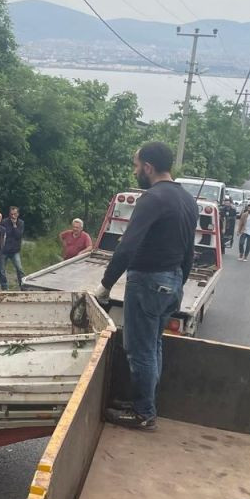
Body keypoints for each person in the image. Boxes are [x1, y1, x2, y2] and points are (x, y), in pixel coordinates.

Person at [97, 141, 197, 432]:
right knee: (152, 347)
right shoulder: (187, 199)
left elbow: (128, 245)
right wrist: (179, 282)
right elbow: (189, 251)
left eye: (137, 165)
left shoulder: (152, 199)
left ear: (148, 168)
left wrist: (106, 284)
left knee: (139, 351)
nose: (135, 170)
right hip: (172, 280)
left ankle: (143, 413)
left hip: (148, 281)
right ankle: (144, 403)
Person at [2, 206, 26, 289]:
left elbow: (18, 235)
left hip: (15, 250)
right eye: (11, 214)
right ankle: (4, 288)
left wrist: (14, 225)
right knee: (1, 271)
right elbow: (5, 233)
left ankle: (23, 286)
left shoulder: (21, 223)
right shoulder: (4, 222)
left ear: (18, 214)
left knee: (20, 269)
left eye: (15, 214)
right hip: (4, 250)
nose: (13, 216)